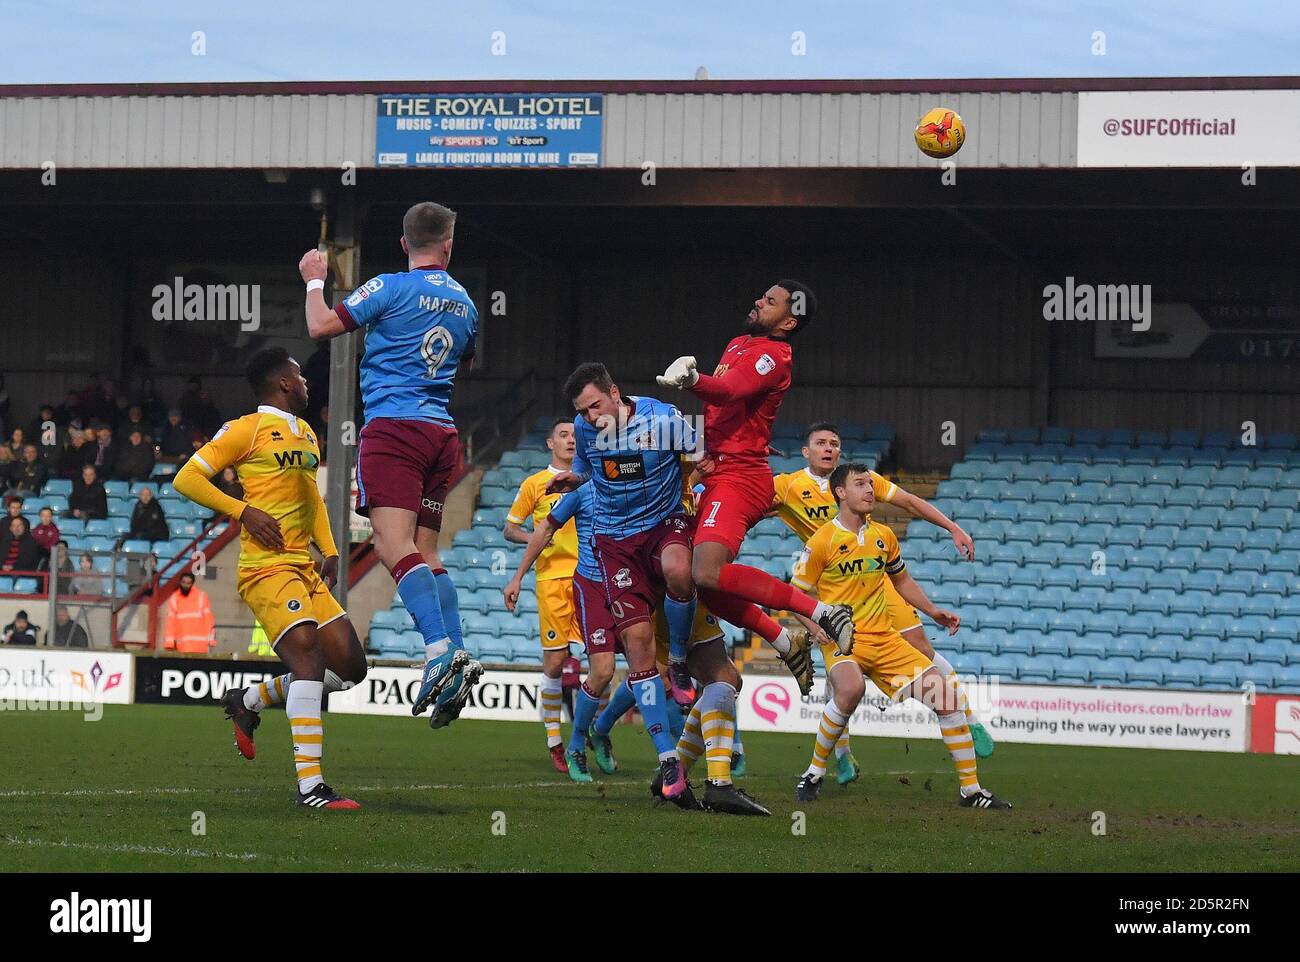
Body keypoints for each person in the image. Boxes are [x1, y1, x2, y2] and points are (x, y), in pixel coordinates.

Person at [547, 362, 774, 814]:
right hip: (614, 543)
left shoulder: (665, 419)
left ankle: (679, 663)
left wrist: (710, 477)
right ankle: (669, 761)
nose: (590, 418)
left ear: (615, 392)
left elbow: (698, 459)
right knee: (636, 650)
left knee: (680, 571)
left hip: (664, 524)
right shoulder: (583, 429)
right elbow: (592, 472)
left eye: (595, 406)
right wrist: (577, 478)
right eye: (583, 412)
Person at [299, 201, 481, 727]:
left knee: (389, 544)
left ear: (405, 244)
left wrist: (316, 279)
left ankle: (438, 651)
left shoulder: (389, 287)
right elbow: (462, 361)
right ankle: (460, 651)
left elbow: (320, 327)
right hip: (442, 434)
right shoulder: (466, 303)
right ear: (449, 243)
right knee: (426, 550)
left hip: (394, 430)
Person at [173, 346, 369, 810]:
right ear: (284, 383)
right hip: (266, 568)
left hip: (306, 567)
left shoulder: (306, 434)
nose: (306, 383)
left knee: (351, 669)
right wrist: (243, 510)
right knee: (306, 656)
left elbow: (313, 501)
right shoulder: (245, 429)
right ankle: (312, 788)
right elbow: (187, 478)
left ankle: (250, 699)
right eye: (300, 377)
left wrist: (333, 550)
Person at [771, 423, 993, 782]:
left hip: (876, 580)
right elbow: (747, 503)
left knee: (919, 643)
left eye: (835, 443)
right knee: (844, 684)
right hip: (833, 587)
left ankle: (966, 716)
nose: (829, 448)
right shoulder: (787, 486)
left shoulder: (862, 479)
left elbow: (907, 501)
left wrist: (951, 527)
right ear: (805, 452)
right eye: (821, 443)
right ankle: (840, 755)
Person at [656, 280, 856, 658]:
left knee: (705, 572)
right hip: (718, 469)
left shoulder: (776, 355)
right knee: (697, 581)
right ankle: (785, 643)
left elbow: (730, 389)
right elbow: (729, 412)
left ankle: (822, 612)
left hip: (740, 478)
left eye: (770, 301)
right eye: (762, 296)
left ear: (788, 323)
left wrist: (693, 380)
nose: (758, 302)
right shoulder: (737, 343)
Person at [503, 418, 581, 768]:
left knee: (602, 660)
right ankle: (554, 739)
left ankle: (588, 731)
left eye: (576, 436)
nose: (571, 441)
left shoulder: (591, 480)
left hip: (590, 578)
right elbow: (510, 529)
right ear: (551, 443)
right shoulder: (535, 484)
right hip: (551, 580)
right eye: (563, 435)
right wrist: (536, 539)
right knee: (555, 660)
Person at [163, 572, 215, 653]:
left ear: (192, 584)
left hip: (200, 647)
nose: (185, 585)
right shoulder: (175, 598)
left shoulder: (201, 597)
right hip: (182, 647)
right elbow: (171, 623)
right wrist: (169, 643)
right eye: (183, 582)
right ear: (180, 582)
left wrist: (211, 640)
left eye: (188, 583)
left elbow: (208, 620)